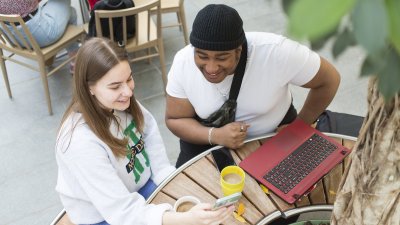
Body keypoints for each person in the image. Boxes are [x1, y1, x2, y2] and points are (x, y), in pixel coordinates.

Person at [55, 37, 234, 225]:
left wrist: (166, 177)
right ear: (89, 87)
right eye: (115, 86)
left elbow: (149, 133)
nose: (128, 92)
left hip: (140, 188)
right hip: (104, 215)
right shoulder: (79, 143)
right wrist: (186, 219)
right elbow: (123, 213)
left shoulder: (117, 102)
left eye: (129, 78)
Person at [165, 4, 341, 168]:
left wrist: (299, 126)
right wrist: (215, 135)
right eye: (202, 56)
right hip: (207, 141)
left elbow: (329, 80)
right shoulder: (183, 61)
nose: (211, 68)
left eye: (221, 58)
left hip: (275, 137)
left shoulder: (275, 52)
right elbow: (175, 119)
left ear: (238, 51)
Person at [0, 0, 79, 71]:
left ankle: (50, 59)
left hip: (14, 39)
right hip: (39, 36)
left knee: (68, 12)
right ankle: (76, 62)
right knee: (65, 5)